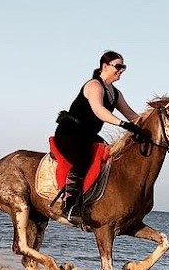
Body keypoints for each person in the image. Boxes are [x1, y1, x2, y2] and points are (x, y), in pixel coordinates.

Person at [53, 50, 145, 224]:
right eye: (118, 66)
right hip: (70, 132)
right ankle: (69, 205)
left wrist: (146, 127)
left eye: (123, 67)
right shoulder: (94, 85)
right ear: (105, 66)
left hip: (88, 135)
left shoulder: (115, 93)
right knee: (82, 161)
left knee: (111, 157)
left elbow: (131, 114)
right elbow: (99, 111)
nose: (121, 70)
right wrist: (124, 125)